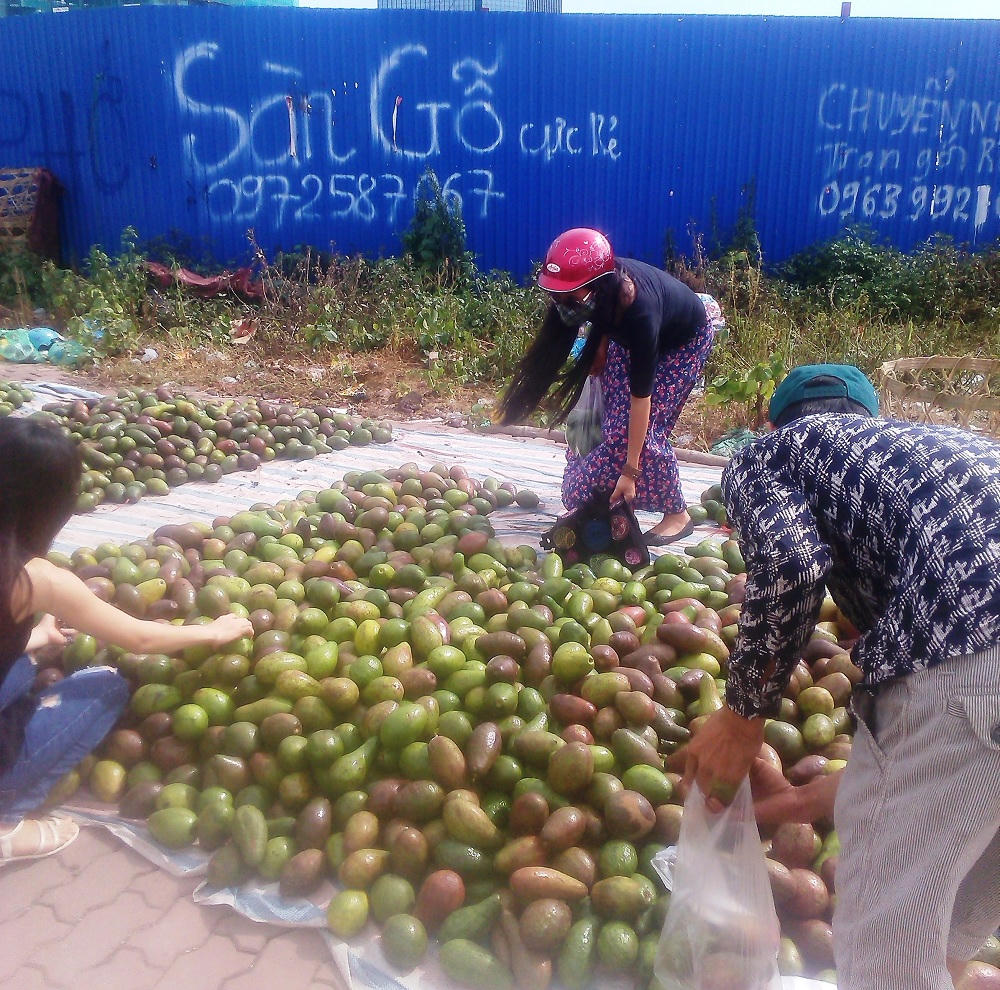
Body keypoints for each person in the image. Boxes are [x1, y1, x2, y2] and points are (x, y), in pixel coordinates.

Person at [681, 363, 1000, 990]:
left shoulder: (774, 452)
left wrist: (742, 715)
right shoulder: (934, 453)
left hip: (975, 641)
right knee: (963, 888)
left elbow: (793, 564)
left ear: (770, 423)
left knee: (886, 943)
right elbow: (935, 776)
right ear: (872, 419)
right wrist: (786, 805)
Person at [0, 417, 252, 864]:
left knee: (21, 665)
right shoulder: (32, 579)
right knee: (105, 684)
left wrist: (29, 636)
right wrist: (214, 631)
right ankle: (6, 824)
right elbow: (139, 639)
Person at [497, 227, 715, 544]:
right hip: (632, 334)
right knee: (606, 417)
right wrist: (598, 348)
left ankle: (676, 514)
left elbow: (642, 401)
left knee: (640, 429)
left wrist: (629, 473)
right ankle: (599, 494)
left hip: (681, 342)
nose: (560, 304)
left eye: (568, 296)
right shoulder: (597, 292)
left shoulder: (640, 312)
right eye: (555, 296)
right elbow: (596, 317)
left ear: (596, 289)